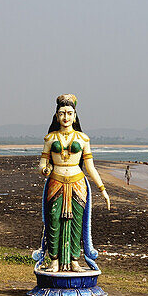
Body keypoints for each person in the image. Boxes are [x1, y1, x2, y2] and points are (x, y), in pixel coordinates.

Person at [36, 94, 110, 272]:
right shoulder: (50, 139)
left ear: (75, 116)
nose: (66, 117)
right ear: (56, 116)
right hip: (56, 183)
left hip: (78, 183)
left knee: (77, 221)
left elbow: (90, 168)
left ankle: (74, 261)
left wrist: (102, 189)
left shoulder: (83, 139)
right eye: (62, 113)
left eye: (69, 113)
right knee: (54, 221)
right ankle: (54, 260)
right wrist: (45, 170)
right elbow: (42, 164)